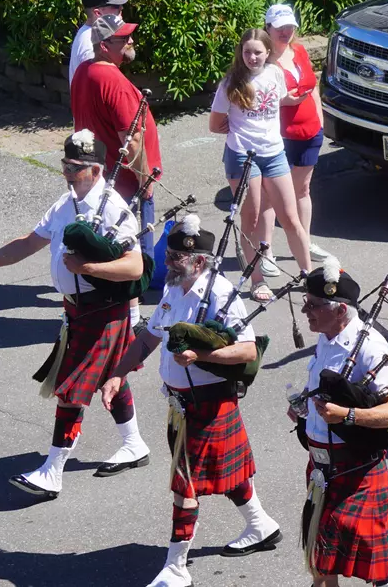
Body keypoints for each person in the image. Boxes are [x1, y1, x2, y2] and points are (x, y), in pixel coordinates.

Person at [0, 131, 150, 499]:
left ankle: (53, 469)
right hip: (76, 312)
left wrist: (88, 268)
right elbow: (30, 242)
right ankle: (134, 444)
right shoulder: (66, 204)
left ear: (96, 170)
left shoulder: (114, 208)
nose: (67, 172)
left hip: (105, 312)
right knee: (109, 379)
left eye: (75, 168)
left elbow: (135, 267)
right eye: (65, 165)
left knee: (70, 391)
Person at [102, 214, 282, 587]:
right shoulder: (173, 288)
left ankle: (176, 567)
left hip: (210, 403)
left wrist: (203, 357)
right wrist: (118, 373)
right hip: (181, 407)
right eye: (168, 254)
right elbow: (149, 338)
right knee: (226, 476)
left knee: (185, 487)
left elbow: (248, 351)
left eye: (175, 257)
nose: (167, 261)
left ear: (199, 260)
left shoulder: (220, 295)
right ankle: (260, 525)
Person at [287, 260, 388, 587]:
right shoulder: (327, 336)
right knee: (321, 565)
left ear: (341, 310)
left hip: (357, 473)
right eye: (305, 303)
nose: (306, 311)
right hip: (322, 471)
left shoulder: (369, 347)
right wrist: (304, 406)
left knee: (380, 570)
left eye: (313, 305)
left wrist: (347, 416)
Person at [70, 13, 163, 333]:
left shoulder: (84, 72)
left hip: (99, 179)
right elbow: (132, 139)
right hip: (124, 183)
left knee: (108, 245)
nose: (131, 41)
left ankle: (112, 310)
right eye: (124, 38)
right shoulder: (113, 81)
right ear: (104, 45)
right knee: (132, 251)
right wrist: (144, 179)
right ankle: (133, 322)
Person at [208, 28, 313, 302]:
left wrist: (300, 98)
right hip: (242, 155)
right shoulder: (231, 82)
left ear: (268, 52)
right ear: (240, 53)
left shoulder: (275, 73)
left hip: (274, 152)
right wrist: (239, 133)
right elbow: (214, 124)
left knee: (290, 219)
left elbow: (278, 100)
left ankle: (308, 274)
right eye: (247, 52)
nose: (252, 57)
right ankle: (256, 281)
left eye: (257, 52)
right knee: (251, 219)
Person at [257, 4, 333, 272]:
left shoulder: (299, 51)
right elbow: (255, 101)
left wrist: (320, 122)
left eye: (290, 27)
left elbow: (312, 88)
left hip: (309, 132)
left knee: (302, 190)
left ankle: (304, 242)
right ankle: (264, 252)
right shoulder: (263, 61)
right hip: (278, 136)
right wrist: (283, 101)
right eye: (280, 28)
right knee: (269, 195)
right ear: (268, 28)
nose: (286, 32)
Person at [68, 0, 130, 86]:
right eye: (115, 6)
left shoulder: (88, 33)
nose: (121, 8)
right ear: (98, 13)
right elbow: (94, 89)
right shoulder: (91, 45)